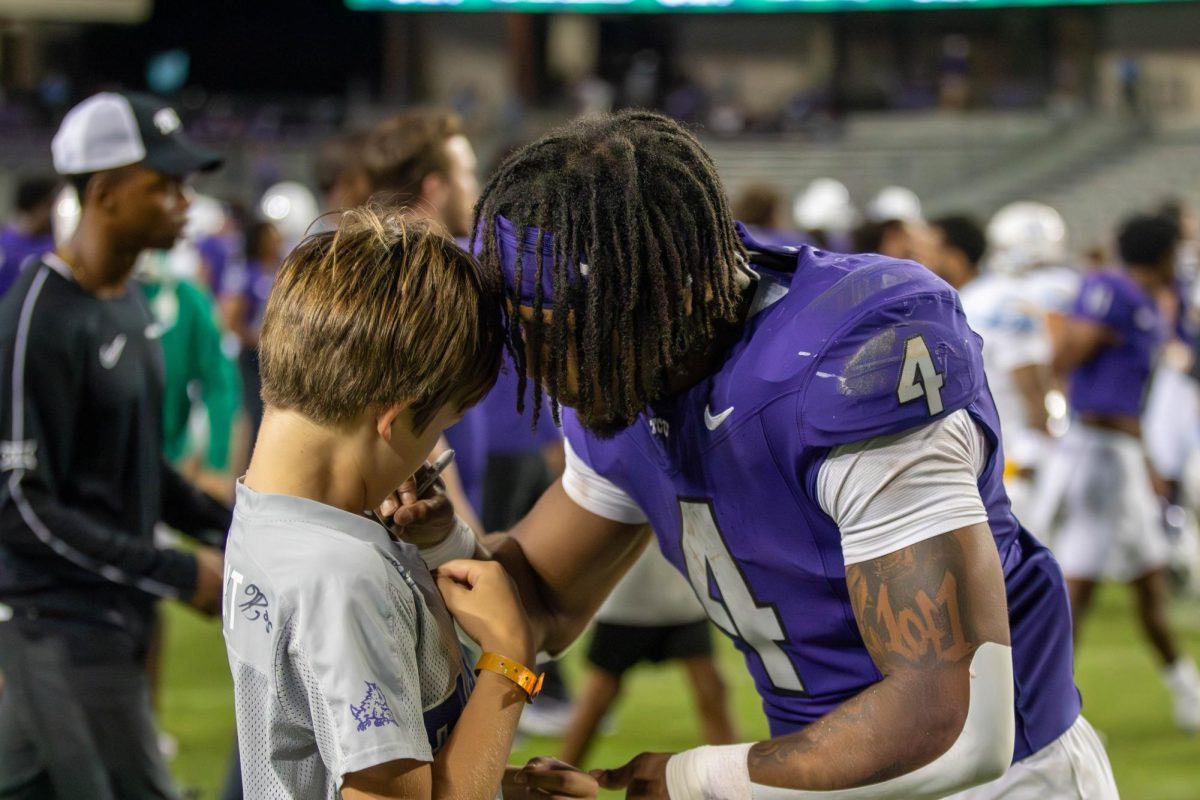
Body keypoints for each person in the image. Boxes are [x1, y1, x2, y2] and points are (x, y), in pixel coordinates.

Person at [388, 110, 1116, 799]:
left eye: (543, 329)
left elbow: (952, 724)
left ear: (645, 303)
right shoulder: (632, 380)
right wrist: (441, 537)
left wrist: (690, 780)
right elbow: (538, 604)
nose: (526, 361)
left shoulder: (845, 357)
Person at [221, 207, 595, 800]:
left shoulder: (266, 514)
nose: (429, 458)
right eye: (438, 430)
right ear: (393, 419)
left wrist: (505, 786)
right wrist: (509, 661)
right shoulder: (342, 577)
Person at [0, 91, 230, 799]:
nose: (184, 201)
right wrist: (177, 572)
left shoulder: (128, 302)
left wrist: (243, 526)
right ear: (103, 194)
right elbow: (17, 506)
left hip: (116, 614)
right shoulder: (36, 317)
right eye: (162, 185)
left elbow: (139, 468)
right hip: (58, 624)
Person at [1033, 214, 1200, 732]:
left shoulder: (1147, 302)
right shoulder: (1111, 290)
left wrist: (1144, 458)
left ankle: (1186, 692)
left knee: (1149, 580)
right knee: (1077, 585)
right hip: (1097, 452)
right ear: (1164, 252)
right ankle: (1050, 708)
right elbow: (1066, 354)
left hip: (1123, 453)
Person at [559, 539, 736, 768]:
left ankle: (730, 780)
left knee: (711, 688)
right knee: (599, 696)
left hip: (683, 599)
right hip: (626, 600)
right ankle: (557, 781)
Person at [928, 215, 1053, 519]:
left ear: (955, 258)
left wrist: (1032, 456)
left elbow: (1033, 389)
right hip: (969, 467)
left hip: (1011, 466)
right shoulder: (946, 303)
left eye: (931, 249)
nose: (921, 258)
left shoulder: (998, 300)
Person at [0, 175, 59, 296]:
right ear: (36, 207)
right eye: (50, 205)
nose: (54, 214)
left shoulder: (54, 247)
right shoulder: (4, 244)